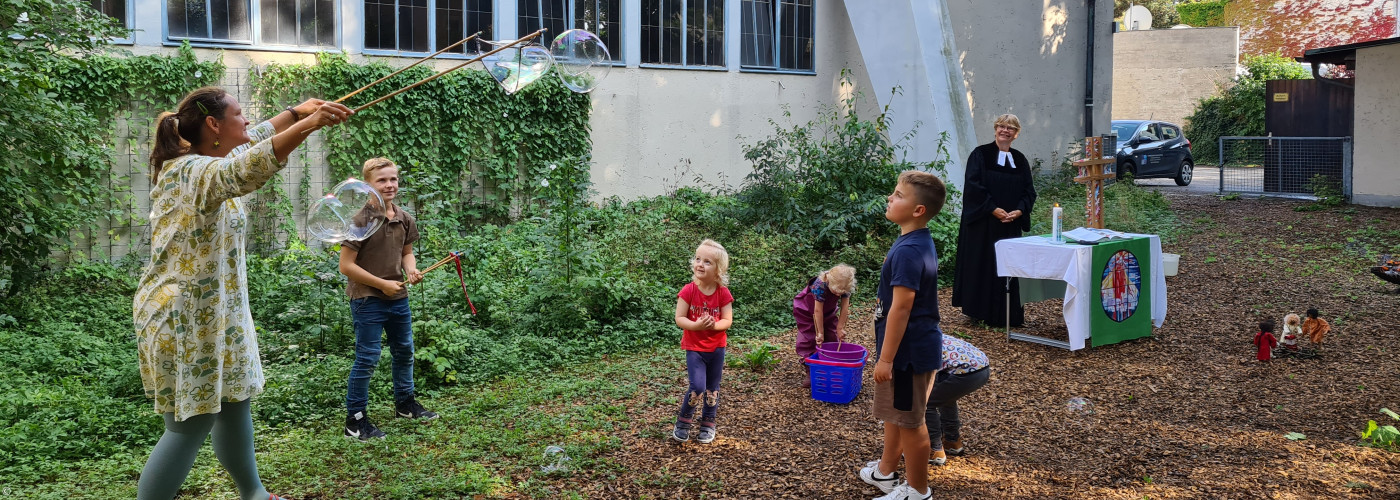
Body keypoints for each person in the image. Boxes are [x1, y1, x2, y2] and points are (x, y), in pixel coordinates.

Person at [133, 87, 351, 500]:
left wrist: (294, 113)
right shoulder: (189, 170)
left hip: (216, 314)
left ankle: (254, 493)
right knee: (189, 425)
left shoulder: (208, 160)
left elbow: (251, 144)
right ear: (213, 125)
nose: (248, 119)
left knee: (235, 404)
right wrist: (308, 125)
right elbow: (245, 169)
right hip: (182, 318)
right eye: (239, 113)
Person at [858, 170, 947, 500]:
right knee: (896, 415)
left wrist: (886, 358)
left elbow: (901, 308)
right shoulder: (913, 241)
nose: (890, 198)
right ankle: (885, 473)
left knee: (911, 423)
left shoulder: (910, 251)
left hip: (907, 354)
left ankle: (919, 491)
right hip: (905, 351)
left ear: (918, 210)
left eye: (898, 194)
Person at [339, 157, 438, 441]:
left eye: (393, 179)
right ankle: (355, 421)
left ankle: (405, 405)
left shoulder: (404, 218)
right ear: (367, 185)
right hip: (368, 299)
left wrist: (411, 269)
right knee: (368, 358)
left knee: (405, 350)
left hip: (398, 297)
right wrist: (382, 284)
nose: (389, 184)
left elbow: (406, 252)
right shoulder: (361, 220)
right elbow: (346, 266)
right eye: (382, 180)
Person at [951, 114, 1037, 327]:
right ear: (995, 129)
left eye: (1010, 128)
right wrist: (992, 209)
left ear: (1016, 134)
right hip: (984, 224)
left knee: (1006, 266)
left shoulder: (1020, 160)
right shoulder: (980, 154)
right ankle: (980, 313)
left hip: (1010, 225)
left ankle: (1007, 314)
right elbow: (973, 186)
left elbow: (1029, 191)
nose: (1005, 130)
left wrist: (1019, 210)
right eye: (1001, 126)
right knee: (983, 264)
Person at [670, 239, 734, 445]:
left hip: (716, 348)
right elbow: (679, 318)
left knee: (712, 388)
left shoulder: (722, 293)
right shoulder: (688, 290)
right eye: (698, 259)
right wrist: (697, 325)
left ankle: (708, 423)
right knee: (697, 386)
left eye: (707, 261)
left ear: (718, 269)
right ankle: (683, 421)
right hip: (694, 348)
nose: (700, 264)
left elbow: (727, 320)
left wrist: (712, 326)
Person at [925, 335, 991, 466]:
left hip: (965, 372)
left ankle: (935, 448)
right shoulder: (929, 331)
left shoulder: (916, 342)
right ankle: (952, 441)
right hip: (981, 366)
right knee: (945, 397)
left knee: (926, 403)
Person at [792, 264, 856, 388]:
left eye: (841, 293)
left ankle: (830, 365)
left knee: (832, 335)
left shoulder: (844, 285)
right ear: (829, 281)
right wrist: (819, 332)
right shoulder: (819, 284)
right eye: (836, 292)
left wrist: (840, 327)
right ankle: (810, 370)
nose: (838, 295)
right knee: (810, 338)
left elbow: (845, 307)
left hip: (828, 311)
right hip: (808, 312)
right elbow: (817, 312)